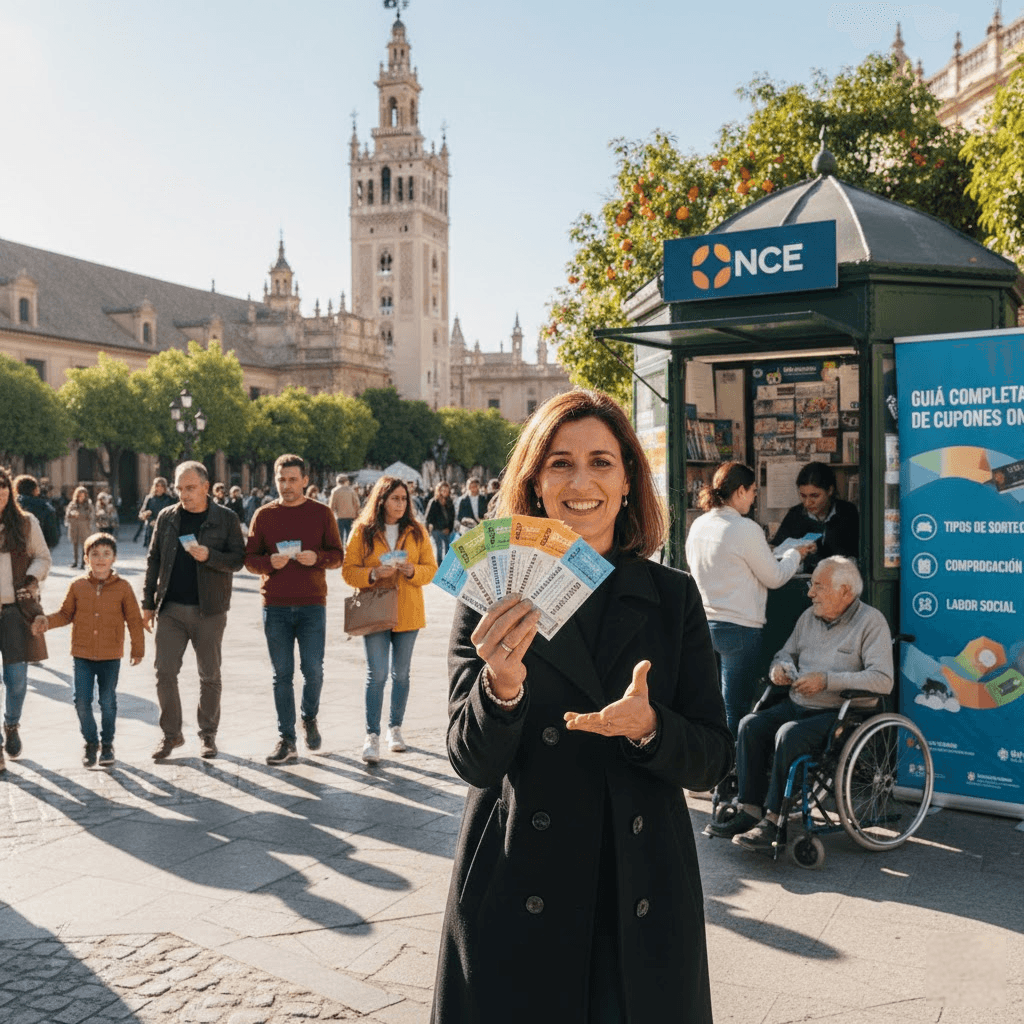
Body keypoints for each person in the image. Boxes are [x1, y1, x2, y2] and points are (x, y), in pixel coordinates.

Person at [432, 390, 732, 1024]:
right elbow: (469, 760)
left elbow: (712, 759)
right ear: (535, 483)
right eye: (560, 463)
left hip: (639, 886)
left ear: (627, 482)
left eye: (601, 461)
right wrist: (502, 689)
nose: (580, 481)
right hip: (520, 883)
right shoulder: (492, 591)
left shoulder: (673, 598)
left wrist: (651, 729)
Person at [708, 556, 893, 853]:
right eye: (811, 585)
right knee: (750, 725)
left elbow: (883, 680)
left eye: (818, 586)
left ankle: (773, 821)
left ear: (845, 591)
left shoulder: (871, 622)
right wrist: (778, 669)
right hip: (798, 701)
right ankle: (750, 809)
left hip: (839, 713)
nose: (810, 593)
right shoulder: (809, 617)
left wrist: (828, 680)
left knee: (789, 734)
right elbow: (785, 653)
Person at [685, 462, 815, 736]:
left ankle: (715, 772)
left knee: (712, 707)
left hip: (705, 625)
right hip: (740, 628)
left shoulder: (699, 524)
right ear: (741, 491)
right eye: (754, 490)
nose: (755, 497)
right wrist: (795, 554)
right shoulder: (745, 528)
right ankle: (734, 772)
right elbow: (776, 577)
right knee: (736, 709)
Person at [142, 461, 246, 760]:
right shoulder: (167, 517)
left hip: (209, 609)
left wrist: (210, 555)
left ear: (205, 486)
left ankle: (208, 735)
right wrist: (147, 604)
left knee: (209, 675)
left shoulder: (225, 518)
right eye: (179, 488)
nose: (184, 494)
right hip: (171, 608)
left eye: (190, 488)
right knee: (164, 673)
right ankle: (171, 735)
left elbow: (238, 559)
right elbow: (154, 560)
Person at [245, 454, 344, 766]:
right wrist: (266, 563)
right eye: (281, 479)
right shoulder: (263, 515)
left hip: (312, 603)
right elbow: (250, 559)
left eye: (292, 479)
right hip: (274, 605)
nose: (286, 485)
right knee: (281, 674)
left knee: (313, 671)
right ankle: (286, 738)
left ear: (304, 481)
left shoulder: (321, 513)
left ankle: (309, 716)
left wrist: (317, 558)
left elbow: (337, 555)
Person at [342, 476, 437, 764]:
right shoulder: (363, 531)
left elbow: (430, 569)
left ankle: (394, 728)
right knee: (377, 674)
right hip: (375, 609)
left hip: (408, 610)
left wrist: (411, 571)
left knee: (402, 674)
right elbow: (348, 571)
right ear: (381, 500)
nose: (400, 504)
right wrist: (372, 574)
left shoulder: (417, 531)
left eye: (404, 499)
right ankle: (371, 735)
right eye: (394, 498)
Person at [33, 532, 144, 767]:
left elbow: (134, 619)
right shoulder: (78, 586)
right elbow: (65, 614)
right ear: (86, 558)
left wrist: (138, 649)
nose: (100, 559)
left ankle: (107, 744)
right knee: (81, 701)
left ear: (113, 558)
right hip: (82, 654)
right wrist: (46, 622)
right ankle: (91, 742)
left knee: (107, 701)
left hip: (110, 654)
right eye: (94, 554)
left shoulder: (123, 587)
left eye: (106, 554)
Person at [0, 466, 52, 771]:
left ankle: (11, 725)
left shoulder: (26, 523)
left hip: (16, 612)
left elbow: (43, 556)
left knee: (17, 681)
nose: (2, 492)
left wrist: (31, 579)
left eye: (4, 486)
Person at [771, 461, 859, 573]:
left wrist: (819, 551)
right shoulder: (795, 514)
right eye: (803, 496)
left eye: (815, 496)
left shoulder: (847, 513)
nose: (807, 503)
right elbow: (778, 549)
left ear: (830, 490)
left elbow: (853, 555)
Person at [14, 475, 60, 551]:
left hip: (14, 550)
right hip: (39, 549)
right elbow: (53, 537)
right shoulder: (44, 506)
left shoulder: (10, 505)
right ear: (34, 489)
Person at [136, 477, 174, 547]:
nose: (159, 488)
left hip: (165, 529)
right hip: (151, 529)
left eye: (161, 486)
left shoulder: (169, 499)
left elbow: (173, 514)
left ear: (165, 487)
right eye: (157, 486)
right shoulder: (150, 498)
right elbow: (142, 512)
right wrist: (146, 515)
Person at [65, 486, 95, 568]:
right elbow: (67, 514)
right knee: (75, 544)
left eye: (83, 496)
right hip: (74, 526)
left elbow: (91, 515)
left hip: (85, 527)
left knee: (84, 545)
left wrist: (82, 515)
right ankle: (75, 561)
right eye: (79, 496)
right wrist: (72, 514)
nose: (81, 497)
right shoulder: (72, 504)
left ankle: (83, 562)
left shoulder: (88, 505)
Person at [424, 482, 455, 562]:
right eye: (443, 490)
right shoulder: (434, 502)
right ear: (439, 491)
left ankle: (447, 567)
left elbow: (452, 517)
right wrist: (439, 528)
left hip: (448, 530)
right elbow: (428, 518)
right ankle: (440, 568)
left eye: (446, 490)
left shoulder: (450, 502)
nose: (444, 492)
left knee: (448, 550)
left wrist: (449, 528)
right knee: (440, 549)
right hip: (436, 530)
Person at [328, 474, 361, 548]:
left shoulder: (335, 491)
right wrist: (357, 514)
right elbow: (357, 504)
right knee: (350, 537)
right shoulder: (351, 491)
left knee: (340, 538)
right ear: (346, 481)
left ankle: (341, 554)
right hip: (351, 516)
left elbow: (332, 505)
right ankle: (348, 552)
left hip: (340, 517)